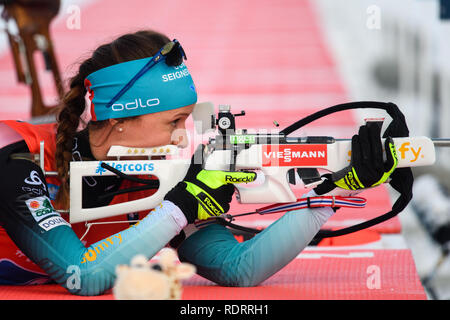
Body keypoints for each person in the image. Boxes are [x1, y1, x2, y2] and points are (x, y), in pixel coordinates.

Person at [0, 30, 398, 295]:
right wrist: (181, 207)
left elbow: (238, 268)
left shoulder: (153, 183)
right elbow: (82, 275)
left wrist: (336, 189)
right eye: (172, 122)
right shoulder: (17, 153)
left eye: (186, 121)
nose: (181, 137)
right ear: (118, 119)